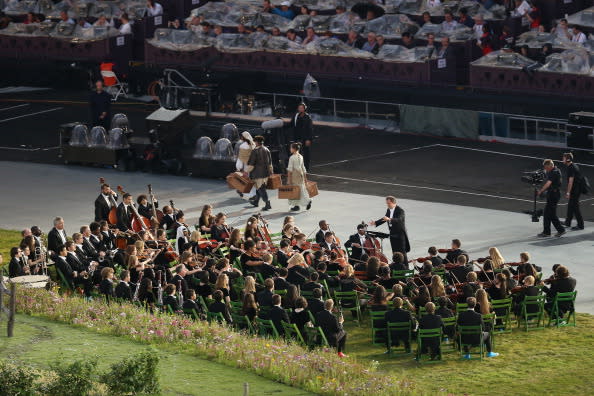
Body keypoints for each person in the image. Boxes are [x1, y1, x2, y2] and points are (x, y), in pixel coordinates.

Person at [369, 196, 410, 262]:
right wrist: (376, 223)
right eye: (387, 203)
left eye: (389, 203)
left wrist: (390, 219)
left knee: (402, 252)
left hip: (400, 235)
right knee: (394, 251)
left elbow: (399, 220)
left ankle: (405, 268)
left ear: (393, 203)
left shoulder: (400, 211)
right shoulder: (389, 210)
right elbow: (385, 218)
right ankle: (396, 266)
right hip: (392, 234)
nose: (387, 205)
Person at [537, 159, 565, 237]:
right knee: (548, 214)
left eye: (546, 167)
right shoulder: (556, 170)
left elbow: (548, 184)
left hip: (553, 195)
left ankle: (558, 230)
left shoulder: (554, 172)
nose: (545, 169)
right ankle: (548, 231)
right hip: (553, 194)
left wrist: (541, 191)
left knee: (550, 214)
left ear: (550, 165)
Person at [247, 135, 273, 210]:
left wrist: (246, 171)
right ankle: (256, 202)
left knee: (261, 189)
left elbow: (251, 164)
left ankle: (267, 203)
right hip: (266, 173)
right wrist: (271, 171)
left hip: (257, 174)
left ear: (256, 142)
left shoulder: (255, 151)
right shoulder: (267, 149)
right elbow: (270, 163)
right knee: (260, 188)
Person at [286, 142, 312, 211]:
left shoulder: (291, 158)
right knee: (301, 190)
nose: (290, 149)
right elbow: (303, 168)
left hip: (294, 176)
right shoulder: (301, 156)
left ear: (294, 149)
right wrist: (305, 178)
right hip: (300, 175)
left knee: (296, 191)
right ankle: (297, 205)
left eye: (291, 148)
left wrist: (289, 180)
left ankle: (306, 201)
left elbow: (290, 170)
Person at [562, 153, 584, 230]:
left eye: (564, 158)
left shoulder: (571, 168)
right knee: (571, 206)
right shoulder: (573, 165)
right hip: (576, 189)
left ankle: (581, 225)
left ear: (568, 159)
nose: (562, 159)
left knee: (575, 207)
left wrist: (568, 192)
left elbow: (570, 182)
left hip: (575, 191)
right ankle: (568, 222)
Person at [292, 103, 313, 170]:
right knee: (298, 152)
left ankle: (306, 167)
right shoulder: (296, 116)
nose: (300, 109)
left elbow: (310, 129)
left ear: (304, 109)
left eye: (302, 108)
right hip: (298, 137)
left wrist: (308, 139)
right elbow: (291, 124)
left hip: (305, 138)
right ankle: (299, 166)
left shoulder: (307, 117)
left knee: (306, 153)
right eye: (299, 108)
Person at [235, 131, 256, 198]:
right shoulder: (254, 145)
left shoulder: (242, 146)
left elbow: (241, 158)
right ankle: (253, 194)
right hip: (254, 165)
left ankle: (245, 192)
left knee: (245, 179)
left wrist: (238, 167)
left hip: (246, 166)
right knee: (253, 180)